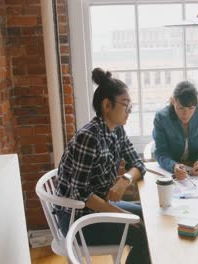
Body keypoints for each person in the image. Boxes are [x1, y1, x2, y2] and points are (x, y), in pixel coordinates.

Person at [55, 68, 150, 264]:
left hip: (100, 208)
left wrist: (125, 180)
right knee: (143, 233)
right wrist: (121, 214)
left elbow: (138, 164)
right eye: (126, 105)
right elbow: (81, 194)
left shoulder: (117, 130)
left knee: (150, 216)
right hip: (78, 219)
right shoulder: (89, 137)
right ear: (107, 105)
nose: (129, 111)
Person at [152, 81, 198, 180]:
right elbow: (160, 152)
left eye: (191, 108)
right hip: (172, 174)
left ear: (197, 103)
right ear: (173, 102)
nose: (186, 114)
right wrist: (173, 166)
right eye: (180, 108)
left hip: (197, 174)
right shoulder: (161, 117)